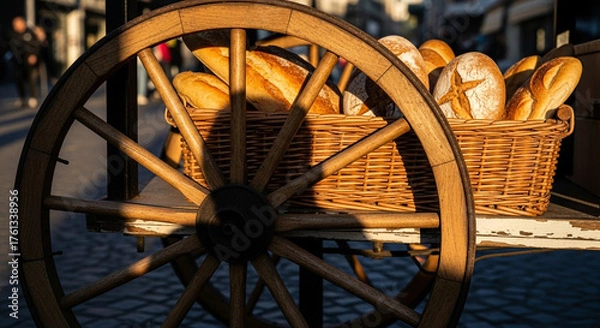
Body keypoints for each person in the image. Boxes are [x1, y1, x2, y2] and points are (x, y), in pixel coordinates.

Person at [9, 16, 42, 108]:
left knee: (32, 78)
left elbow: (37, 45)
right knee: (19, 78)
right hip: (18, 61)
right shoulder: (12, 34)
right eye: (14, 25)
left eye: (18, 24)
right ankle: (22, 98)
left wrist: (34, 55)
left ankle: (33, 97)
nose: (16, 26)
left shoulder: (31, 32)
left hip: (30, 60)